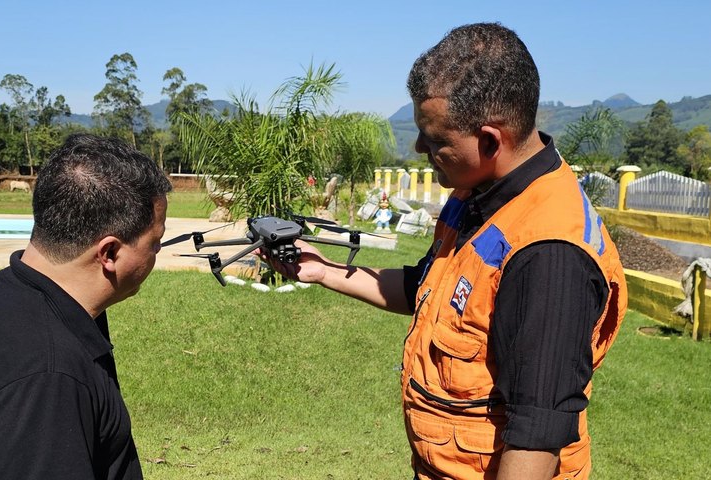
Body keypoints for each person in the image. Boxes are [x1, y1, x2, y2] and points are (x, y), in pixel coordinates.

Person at [262, 23, 627, 480]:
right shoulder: (479, 194)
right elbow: (428, 287)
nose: (419, 149)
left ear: (491, 140)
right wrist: (322, 270)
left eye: (435, 140)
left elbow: (537, 439)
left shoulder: (550, 254)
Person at [0, 134, 172, 479]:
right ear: (108, 254)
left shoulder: (3, 291)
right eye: (155, 243)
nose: (156, 253)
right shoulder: (47, 378)